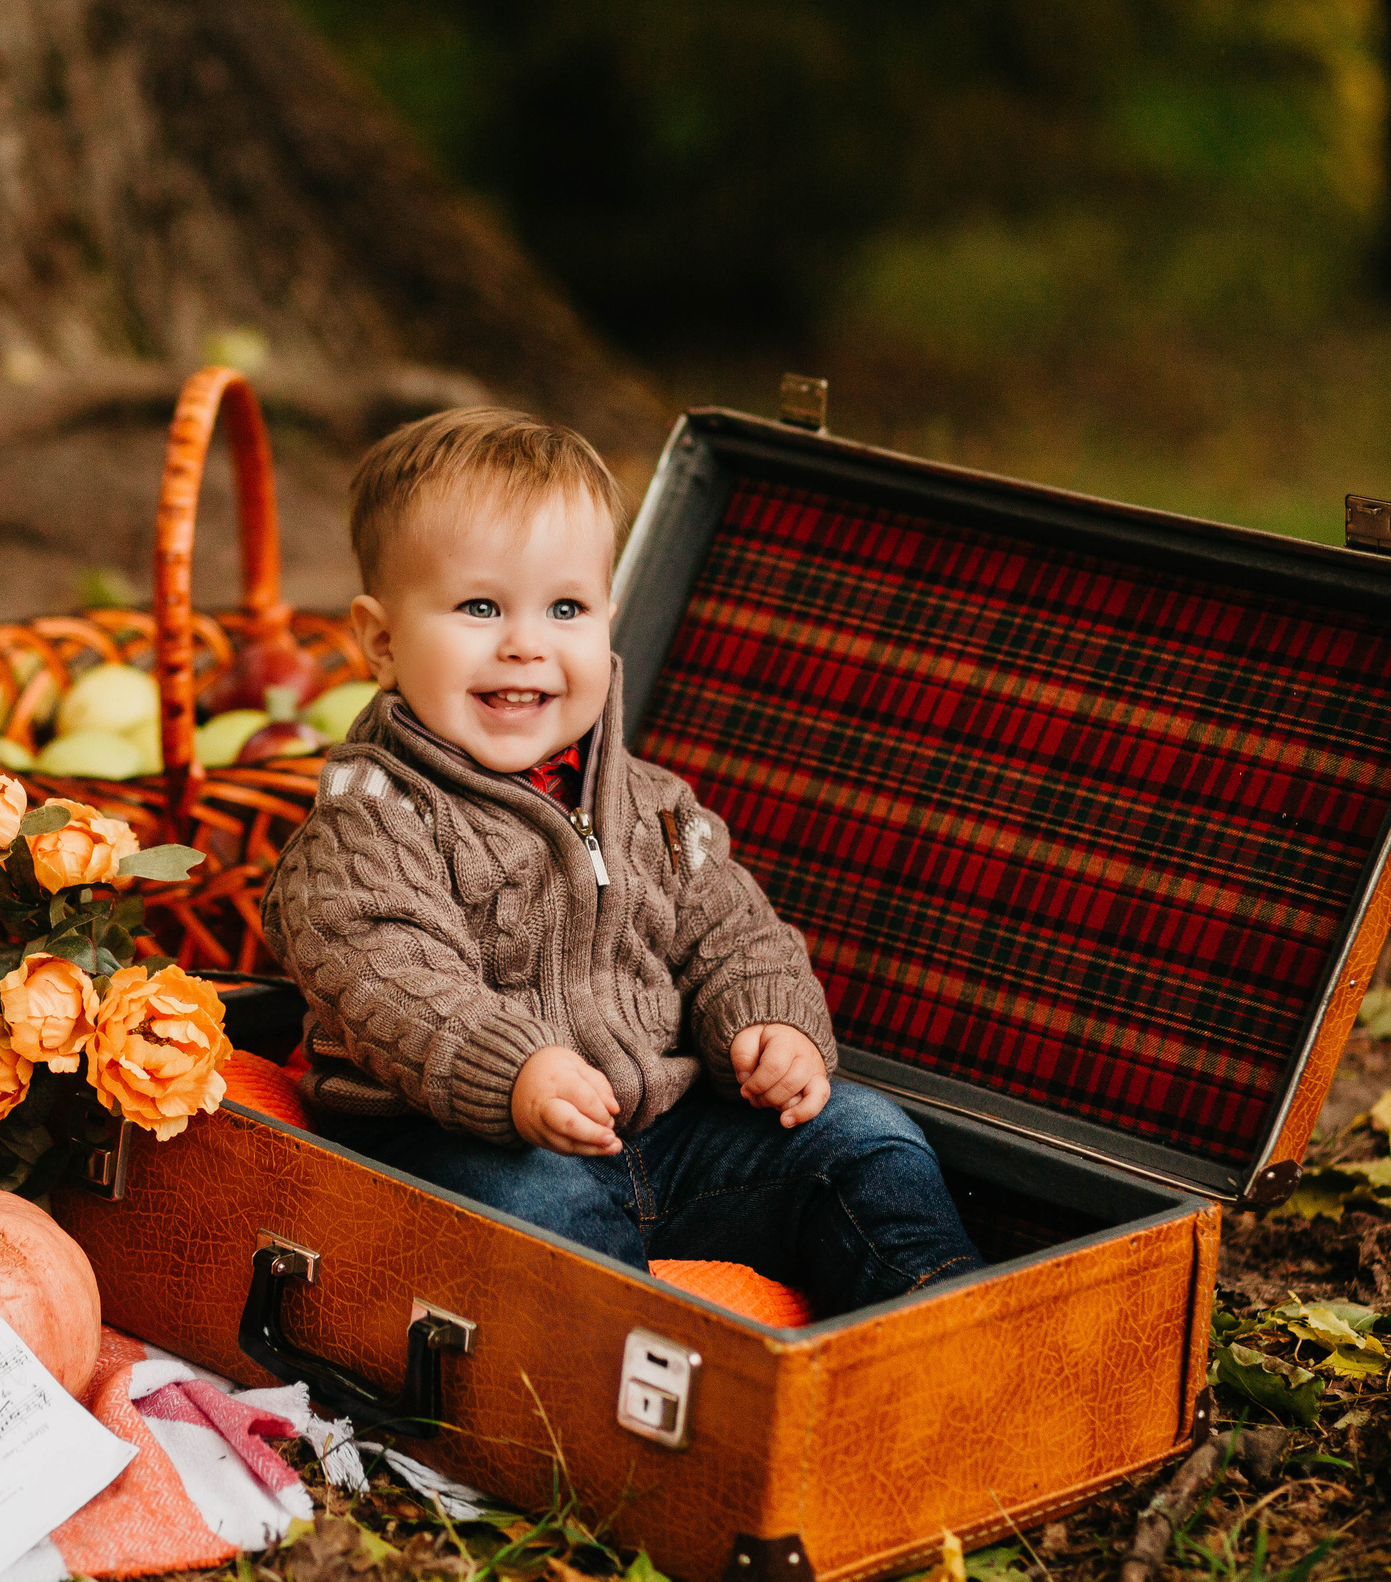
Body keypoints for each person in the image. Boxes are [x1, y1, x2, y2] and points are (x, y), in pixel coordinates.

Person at [259, 407, 982, 1317]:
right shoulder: (371, 819)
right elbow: (387, 975)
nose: (526, 641)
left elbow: (734, 930)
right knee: (534, 1213)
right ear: (381, 639)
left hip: (665, 1135)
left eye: (565, 608)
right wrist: (516, 1073)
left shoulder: (654, 803)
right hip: (459, 1140)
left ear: (607, 622)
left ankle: (938, 1317)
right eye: (480, 607)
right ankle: (644, 1386)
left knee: (864, 1133)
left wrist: (767, 1023)